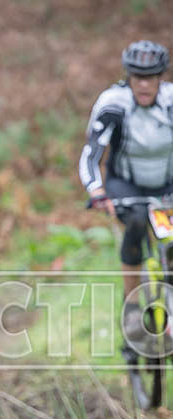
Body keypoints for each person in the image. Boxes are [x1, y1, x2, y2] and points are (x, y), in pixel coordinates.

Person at [79, 39, 173, 342]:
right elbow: (91, 155)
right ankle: (132, 307)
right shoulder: (112, 103)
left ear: (161, 77)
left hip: (167, 183)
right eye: (137, 78)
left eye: (151, 78)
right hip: (126, 184)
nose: (144, 85)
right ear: (128, 77)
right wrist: (97, 193)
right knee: (134, 222)